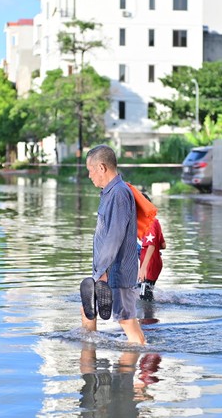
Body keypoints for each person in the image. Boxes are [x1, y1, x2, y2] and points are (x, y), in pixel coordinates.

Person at [80, 144, 146, 345]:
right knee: (87, 309)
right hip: (107, 270)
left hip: (116, 272)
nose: (89, 176)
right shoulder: (110, 193)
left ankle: (138, 363)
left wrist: (102, 271)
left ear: (101, 168)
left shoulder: (118, 194)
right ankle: (89, 354)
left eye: (90, 171)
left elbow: (115, 236)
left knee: (126, 321)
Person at [138, 196, 166, 301]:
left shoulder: (150, 222)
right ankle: (149, 316)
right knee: (146, 295)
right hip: (153, 263)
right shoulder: (155, 222)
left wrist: (142, 269)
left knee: (144, 297)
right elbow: (163, 245)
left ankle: (148, 317)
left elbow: (152, 245)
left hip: (149, 265)